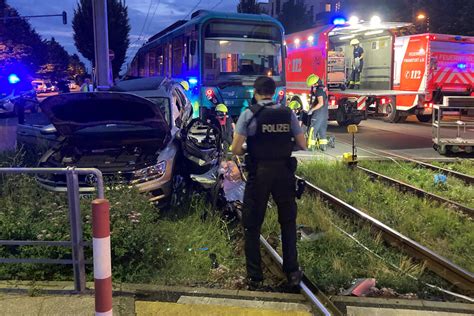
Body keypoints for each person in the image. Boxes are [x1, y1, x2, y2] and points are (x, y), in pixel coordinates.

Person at [231, 76, 307, 290]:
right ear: (273, 93)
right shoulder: (287, 113)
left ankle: (255, 277)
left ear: (255, 92)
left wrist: (254, 149)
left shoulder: (249, 113)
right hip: (284, 172)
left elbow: (236, 149)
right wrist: (281, 147)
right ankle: (292, 272)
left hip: (259, 174)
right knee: (288, 222)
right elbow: (303, 144)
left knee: (252, 226)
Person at [307, 74, 329, 151]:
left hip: (318, 113)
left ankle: (311, 147)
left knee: (312, 130)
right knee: (322, 130)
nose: (312, 86)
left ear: (316, 83)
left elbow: (320, 103)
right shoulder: (323, 88)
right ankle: (323, 147)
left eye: (313, 84)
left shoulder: (319, 90)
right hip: (325, 113)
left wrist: (312, 110)